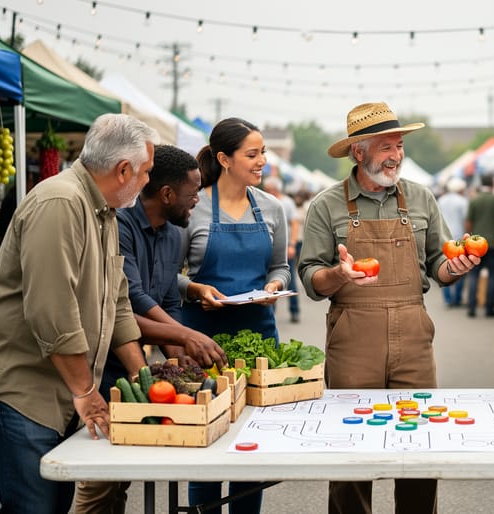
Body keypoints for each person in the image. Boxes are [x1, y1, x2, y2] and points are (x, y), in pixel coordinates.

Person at [0, 113, 157, 514]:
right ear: (124, 170)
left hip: (56, 389)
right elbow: (52, 311)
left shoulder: (103, 211)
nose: (148, 182)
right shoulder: (61, 202)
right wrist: (86, 392)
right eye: (146, 172)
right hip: (18, 389)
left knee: (46, 503)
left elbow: (117, 304)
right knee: (34, 507)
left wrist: (145, 380)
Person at [297, 101, 477, 514]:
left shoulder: (421, 198)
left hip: (413, 336)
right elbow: (310, 279)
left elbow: (439, 263)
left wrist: (456, 268)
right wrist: (339, 275)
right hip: (352, 338)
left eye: (399, 146)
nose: (396, 155)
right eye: (386, 147)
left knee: (418, 450)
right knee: (350, 454)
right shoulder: (327, 205)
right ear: (358, 152)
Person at [74, 145, 229, 514]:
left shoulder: (174, 234)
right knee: (98, 481)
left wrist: (180, 365)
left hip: (138, 369)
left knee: (121, 480)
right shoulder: (121, 225)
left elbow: (169, 302)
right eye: (193, 194)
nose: (197, 202)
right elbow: (130, 300)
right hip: (104, 365)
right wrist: (186, 336)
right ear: (167, 194)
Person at [180, 118, 291, 513]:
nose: (262, 161)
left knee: (251, 448)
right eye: (253, 154)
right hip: (200, 340)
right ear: (224, 159)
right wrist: (194, 290)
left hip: (259, 339)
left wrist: (274, 288)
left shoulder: (272, 208)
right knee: (207, 448)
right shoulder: (193, 209)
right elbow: (169, 277)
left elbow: (280, 267)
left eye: (263, 152)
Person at [466, 173, 494, 318]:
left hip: (476, 243)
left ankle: (471, 306)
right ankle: (489, 308)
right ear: (493, 183)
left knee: (474, 275)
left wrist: (469, 238)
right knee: (491, 276)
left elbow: (468, 222)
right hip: (493, 242)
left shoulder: (474, 200)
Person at [263, 175, 302, 322]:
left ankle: (294, 310)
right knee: (269, 283)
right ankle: (271, 312)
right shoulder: (264, 202)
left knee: (289, 279)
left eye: (269, 189)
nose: (267, 191)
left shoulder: (286, 202)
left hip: (285, 247)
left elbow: (295, 223)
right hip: (268, 249)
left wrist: (292, 244)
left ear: (274, 189)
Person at [437, 177, 469, 307]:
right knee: (460, 266)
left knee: (445, 266)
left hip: (444, 236)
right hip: (459, 237)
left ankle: (447, 298)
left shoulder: (442, 200)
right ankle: (457, 298)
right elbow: (466, 220)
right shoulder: (463, 201)